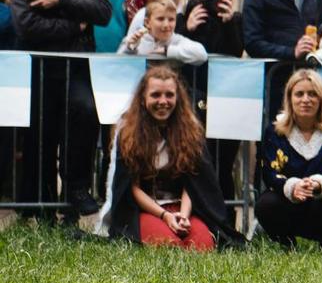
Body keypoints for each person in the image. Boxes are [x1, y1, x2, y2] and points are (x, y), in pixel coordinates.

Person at [10, 0, 112, 218]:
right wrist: (75, 25)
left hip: (78, 70)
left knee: (84, 113)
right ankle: (39, 211)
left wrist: (60, 2)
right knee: (41, 137)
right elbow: (28, 26)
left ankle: (75, 193)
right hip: (40, 72)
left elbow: (103, 11)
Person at [97, 67, 243, 250]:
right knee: (170, 245)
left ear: (177, 97)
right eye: (155, 95)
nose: (163, 101)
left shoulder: (191, 131)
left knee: (201, 246)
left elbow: (194, 181)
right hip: (147, 209)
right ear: (143, 98)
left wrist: (182, 216)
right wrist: (165, 216)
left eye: (169, 95)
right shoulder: (128, 133)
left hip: (183, 207)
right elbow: (131, 187)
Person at [254, 69, 322, 248]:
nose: (306, 100)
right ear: (290, 98)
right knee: (266, 203)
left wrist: (317, 184)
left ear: (321, 98)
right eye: (299, 94)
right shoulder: (274, 131)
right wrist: (292, 187)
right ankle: (286, 243)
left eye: (312, 94)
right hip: (290, 204)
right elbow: (269, 173)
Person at [177, 0, 245, 202]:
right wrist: (187, 28)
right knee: (194, 159)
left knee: (224, 162)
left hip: (225, 96)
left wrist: (228, 23)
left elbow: (237, 50)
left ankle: (225, 217)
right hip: (190, 96)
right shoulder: (179, 18)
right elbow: (172, 51)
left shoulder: (235, 18)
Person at [118, 0, 208, 64]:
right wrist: (129, 49)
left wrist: (167, 51)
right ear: (147, 22)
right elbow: (116, 64)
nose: (166, 25)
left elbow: (201, 54)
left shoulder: (176, 40)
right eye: (160, 19)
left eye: (171, 19)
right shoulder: (135, 39)